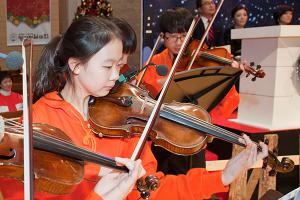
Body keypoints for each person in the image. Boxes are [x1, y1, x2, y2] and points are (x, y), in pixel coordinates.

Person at [0, 16, 268, 200]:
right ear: (76, 65)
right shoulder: (38, 123)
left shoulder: (121, 123)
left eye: (119, 66)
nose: (117, 76)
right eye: (108, 66)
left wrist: (222, 176)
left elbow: (152, 189)